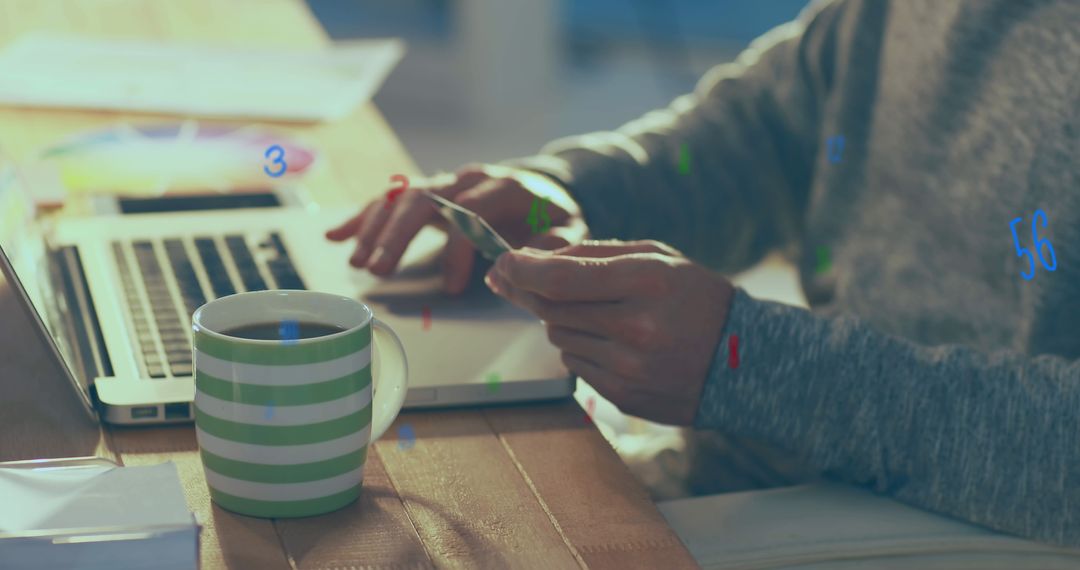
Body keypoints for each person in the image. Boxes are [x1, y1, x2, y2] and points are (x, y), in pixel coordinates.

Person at [327, 0, 1080, 547]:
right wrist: (568, 192)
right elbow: (759, 135)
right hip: (771, 460)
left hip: (952, 522)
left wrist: (757, 365)